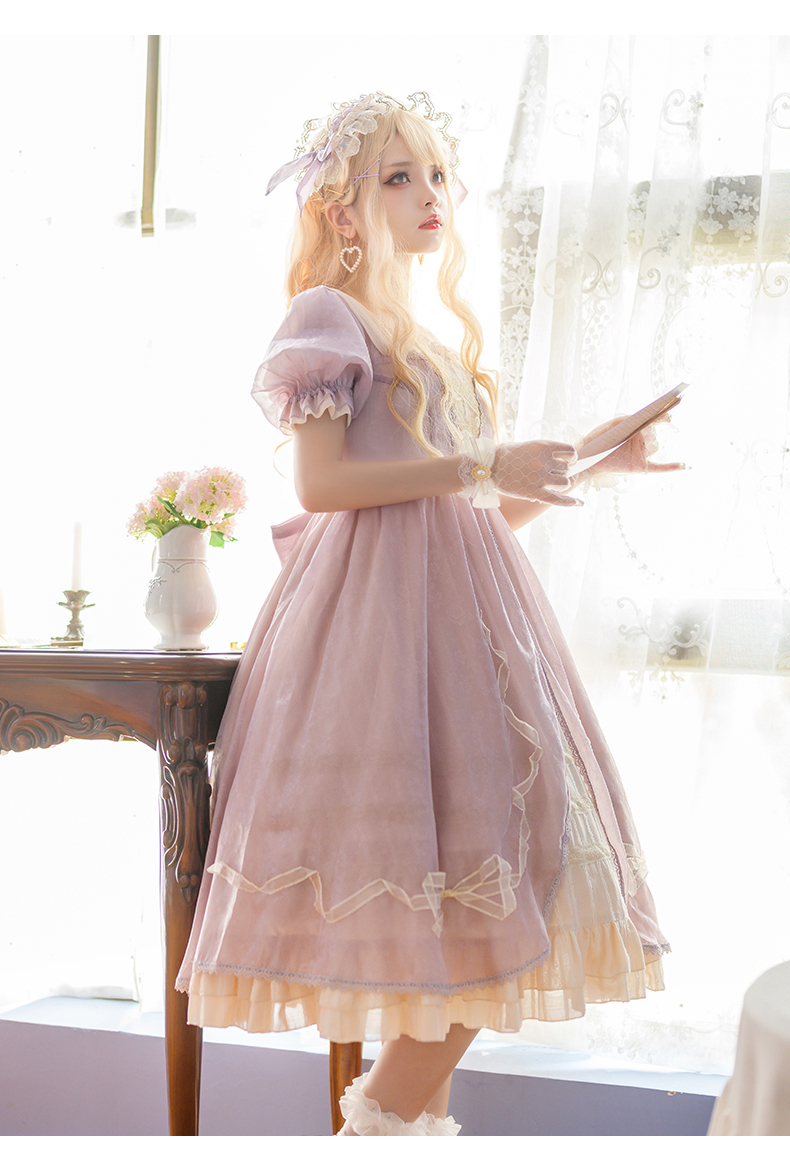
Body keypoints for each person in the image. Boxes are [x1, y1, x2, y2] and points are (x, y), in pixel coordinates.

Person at [177, 92, 676, 1137]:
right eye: (398, 176)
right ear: (343, 209)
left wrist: (594, 459)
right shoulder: (328, 317)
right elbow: (322, 485)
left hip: (461, 643)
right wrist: (480, 463)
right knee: (475, 909)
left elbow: (470, 517)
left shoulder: (432, 342)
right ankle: (370, 1132)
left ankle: (387, 1135)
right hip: (370, 646)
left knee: (493, 904)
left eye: (437, 173)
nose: (428, 193)